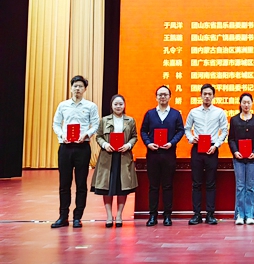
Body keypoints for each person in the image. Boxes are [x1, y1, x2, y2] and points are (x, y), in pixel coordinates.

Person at [51, 75, 99, 228]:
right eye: (75, 86)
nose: (77, 89)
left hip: (82, 147)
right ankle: (63, 216)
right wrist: (62, 135)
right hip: (65, 147)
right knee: (64, 184)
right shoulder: (63, 105)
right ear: (71, 88)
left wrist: (87, 134)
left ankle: (78, 217)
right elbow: (56, 124)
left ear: (85, 89)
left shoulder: (91, 106)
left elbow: (96, 124)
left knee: (81, 183)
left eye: (80, 86)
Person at [140, 85, 185, 226]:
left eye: (165, 94)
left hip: (169, 154)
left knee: (167, 186)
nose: (163, 97)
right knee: (153, 186)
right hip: (153, 154)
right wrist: (148, 143)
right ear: (156, 97)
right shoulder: (150, 114)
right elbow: (143, 131)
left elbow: (180, 131)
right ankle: (152, 216)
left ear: (170, 97)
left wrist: (172, 143)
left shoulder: (175, 114)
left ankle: (167, 216)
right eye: (160, 95)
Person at [91, 94, 138, 227]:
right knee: (107, 187)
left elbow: (134, 136)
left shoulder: (130, 120)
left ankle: (119, 215)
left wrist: (128, 145)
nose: (118, 106)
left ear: (124, 105)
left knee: (123, 187)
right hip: (108, 157)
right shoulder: (104, 120)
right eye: (115, 104)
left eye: (120, 104)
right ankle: (108, 215)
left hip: (124, 157)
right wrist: (105, 144)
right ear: (111, 106)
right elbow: (99, 136)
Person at [185, 83, 228, 226]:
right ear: (201, 95)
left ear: (213, 96)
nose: (207, 96)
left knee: (211, 183)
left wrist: (216, 145)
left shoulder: (219, 112)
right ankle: (196, 214)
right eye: (205, 94)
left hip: (212, 149)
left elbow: (224, 130)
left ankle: (210, 214)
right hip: (197, 148)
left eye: (210, 94)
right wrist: (191, 138)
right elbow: (187, 128)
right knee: (196, 183)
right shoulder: (193, 112)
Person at [228, 93, 254, 225]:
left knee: (250, 186)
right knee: (240, 187)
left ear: (252, 103)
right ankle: (239, 215)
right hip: (238, 158)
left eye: (248, 102)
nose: (246, 105)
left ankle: (249, 215)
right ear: (240, 104)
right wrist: (235, 151)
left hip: (252, 158)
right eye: (244, 102)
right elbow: (231, 139)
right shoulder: (234, 120)